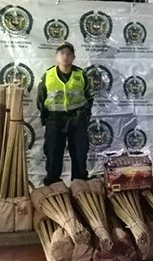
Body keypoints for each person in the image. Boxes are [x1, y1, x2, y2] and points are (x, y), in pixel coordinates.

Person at [36, 42, 93, 186]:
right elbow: (41, 98)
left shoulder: (81, 75)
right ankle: (53, 183)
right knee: (53, 152)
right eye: (62, 53)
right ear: (56, 56)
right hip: (55, 119)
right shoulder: (48, 75)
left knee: (79, 152)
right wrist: (45, 116)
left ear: (73, 57)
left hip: (77, 118)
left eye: (68, 53)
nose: (65, 56)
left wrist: (85, 114)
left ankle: (80, 183)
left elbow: (89, 96)